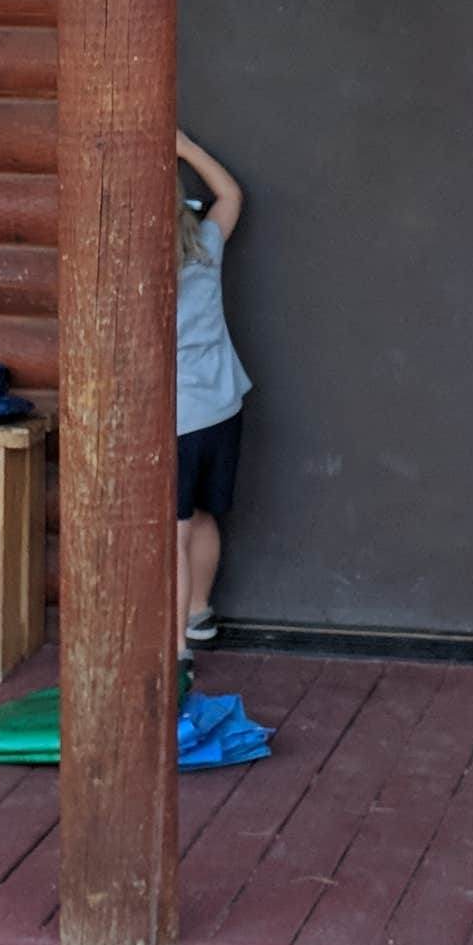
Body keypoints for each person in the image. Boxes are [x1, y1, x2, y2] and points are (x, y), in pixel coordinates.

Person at [174, 130, 250, 657]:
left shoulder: (136, 278)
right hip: (222, 407)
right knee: (202, 514)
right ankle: (199, 612)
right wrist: (187, 149)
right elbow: (230, 196)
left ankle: (174, 646)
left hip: (176, 417)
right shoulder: (204, 247)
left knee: (172, 532)